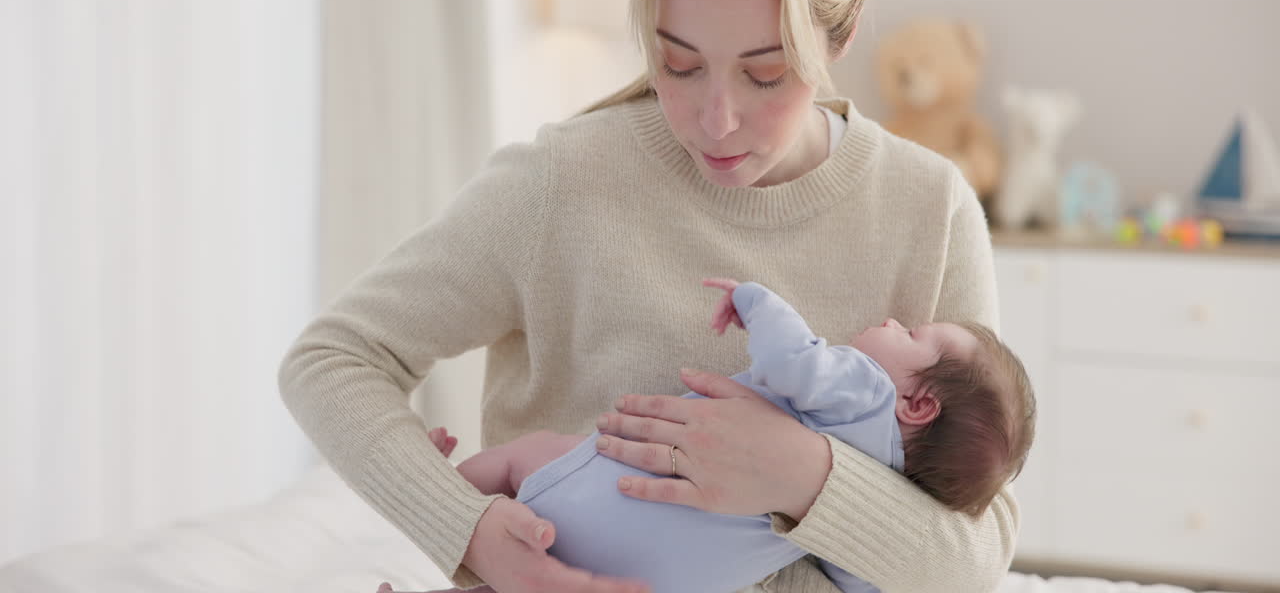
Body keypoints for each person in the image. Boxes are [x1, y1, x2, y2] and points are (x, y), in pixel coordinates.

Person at [278, 0, 1020, 592]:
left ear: (843, 32)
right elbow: (332, 358)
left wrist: (801, 471)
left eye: (765, 73)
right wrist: (464, 529)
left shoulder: (929, 207)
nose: (717, 119)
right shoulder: (564, 181)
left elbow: (975, 556)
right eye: (679, 63)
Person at [383, 278, 1035, 593]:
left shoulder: (863, 387)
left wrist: (755, 300)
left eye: (915, 336)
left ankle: (448, 487)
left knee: (526, 458)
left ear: (918, 404)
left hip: (611, 485)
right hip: (655, 576)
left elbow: (792, 358)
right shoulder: (897, 489)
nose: (896, 322)